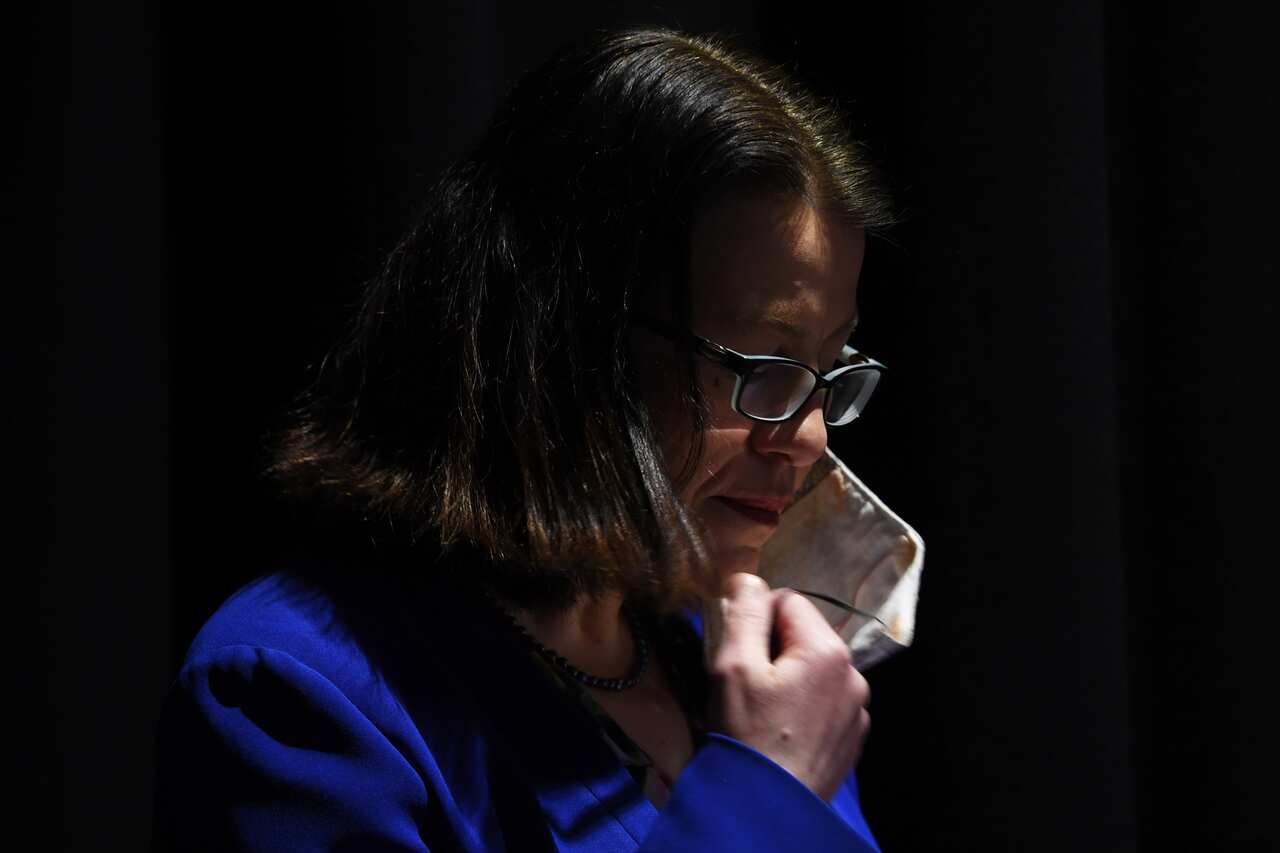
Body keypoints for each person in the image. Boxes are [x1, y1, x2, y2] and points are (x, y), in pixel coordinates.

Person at [154, 27, 897, 852]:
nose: (810, 434)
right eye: (764, 364)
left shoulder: (728, 664)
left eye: (829, 370)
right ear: (571, 344)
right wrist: (762, 794)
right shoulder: (296, 696)